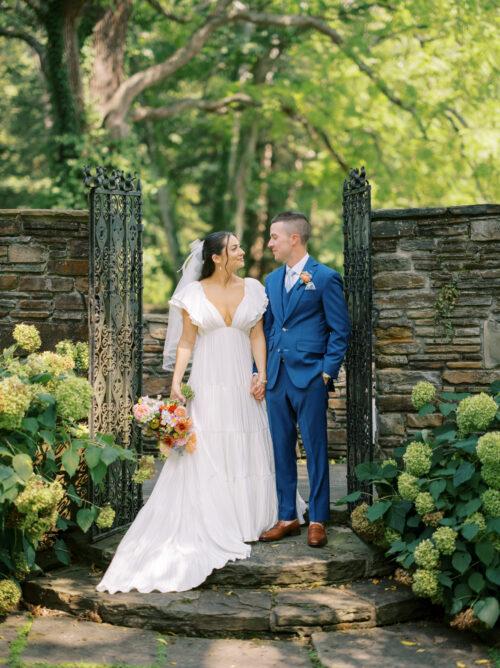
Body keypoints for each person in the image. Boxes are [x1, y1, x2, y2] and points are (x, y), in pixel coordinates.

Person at [95, 231, 305, 594]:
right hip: (208, 380)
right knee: (207, 442)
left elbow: (257, 334)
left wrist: (262, 374)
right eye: (235, 247)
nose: (242, 251)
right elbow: (187, 341)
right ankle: (216, 519)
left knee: (249, 440)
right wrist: (176, 382)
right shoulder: (192, 293)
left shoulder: (254, 288)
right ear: (218, 257)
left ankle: (250, 518)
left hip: (242, 378)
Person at [257, 211, 350, 548]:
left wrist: (326, 372)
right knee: (280, 448)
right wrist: (261, 371)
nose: (270, 244)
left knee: (315, 448)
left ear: (294, 238)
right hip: (277, 379)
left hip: (310, 376)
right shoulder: (270, 280)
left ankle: (319, 518)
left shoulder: (325, 278)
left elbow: (340, 331)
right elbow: (269, 329)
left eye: (274, 237)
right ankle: (287, 516)